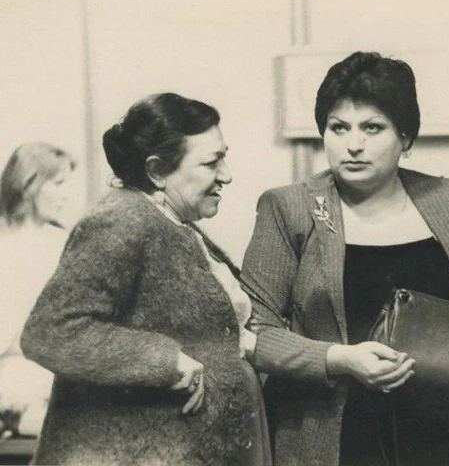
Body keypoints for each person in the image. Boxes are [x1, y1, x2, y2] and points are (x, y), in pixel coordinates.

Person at [241, 52, 449, 466]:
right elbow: (255, 332)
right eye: (338, 127)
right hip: (338, 437)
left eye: (372, 128)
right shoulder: (289, 208)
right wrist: (341, 359)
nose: (353, 145)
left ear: (406, 137)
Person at [20, 93, 271, 465]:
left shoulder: (170, 222)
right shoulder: (122, 221)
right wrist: (165, 360)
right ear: (157, 171)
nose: (227, 174)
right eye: (211, 162)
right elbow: (49, 332)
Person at [0, 142, 77, 437]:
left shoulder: (64, 242)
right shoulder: (4, 245)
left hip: (61, 367)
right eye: (58, 183)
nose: (66, 194)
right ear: (29, 184)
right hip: (15, 372)